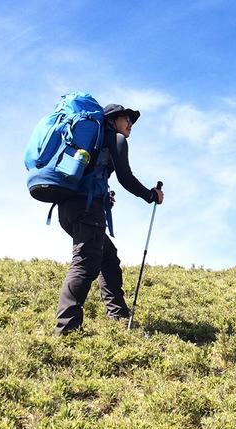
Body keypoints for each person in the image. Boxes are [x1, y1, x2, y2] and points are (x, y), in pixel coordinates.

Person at [54, 103, 164, 335]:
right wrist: (150, 195)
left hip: (68, 207)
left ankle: (117, 314)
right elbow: (126, 177)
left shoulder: (94, 143)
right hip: (87, 209)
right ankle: (66, 330)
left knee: (107, 256)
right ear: (113, 120)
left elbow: (92, 174)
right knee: (84, 264)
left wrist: (105, 195)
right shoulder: (115, 139)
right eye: (127, 120)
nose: (131, 125)